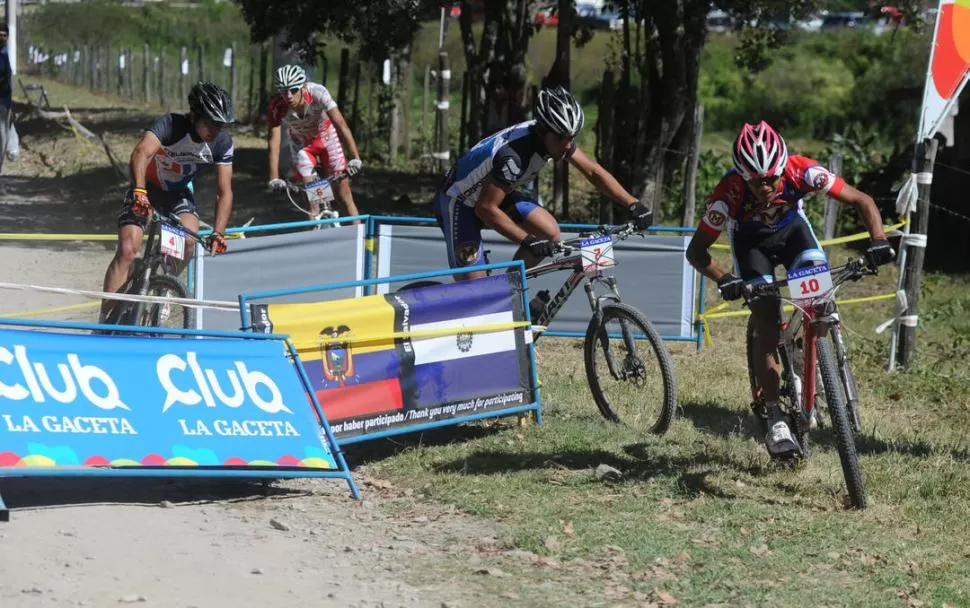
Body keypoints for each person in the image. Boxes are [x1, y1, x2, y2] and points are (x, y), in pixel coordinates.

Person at [685, 120, 895, 458]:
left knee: (817, 294)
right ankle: (775, 416)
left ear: (783, 167)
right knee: (767, 322)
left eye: (771, 178)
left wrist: (879, 241)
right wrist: (725, 278)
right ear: (743, 176)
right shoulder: (729, 193)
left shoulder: (802, 171)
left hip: (793, 235)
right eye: (756, 181)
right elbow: (696, 251)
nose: (765, 186)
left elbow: (861, 199)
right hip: (752, 247)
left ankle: (813, 354)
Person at [432, 86, 653, 283]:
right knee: (474, 290)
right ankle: (483, 300)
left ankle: (508, 291)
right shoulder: (514, 157)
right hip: (459, 200)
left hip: (494, 190)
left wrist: (633, 203)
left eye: (571, 137)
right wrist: (528, 241)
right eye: (561, 138)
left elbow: (593, 172)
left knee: (549, 232)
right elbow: (485, 208)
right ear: (542, 131)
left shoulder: (556, 139)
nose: (567, 145)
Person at [100, 81, 235, 321]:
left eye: (221, 124)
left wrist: (219, 232)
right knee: (128, 249)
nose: (217, 130)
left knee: (189, 240)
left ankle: (164, 289)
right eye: (212, 123)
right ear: (195, 116)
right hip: (148, 187)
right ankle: (105, 318)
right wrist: (139, 191)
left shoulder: (222, 143)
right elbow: (141, 153)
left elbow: (224, 191)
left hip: (177, 193)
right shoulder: (171, 124)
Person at [266, 64, 362, 222]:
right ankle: (316, 237)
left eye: (294, 90)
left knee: (344, 196)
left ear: (303, 87)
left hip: (326, 139)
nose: (289, 96)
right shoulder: (277, 106)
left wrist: (355, 157)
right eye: (283, 91)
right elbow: (274, 142)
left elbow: (340, 124)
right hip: (302, 146)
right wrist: (274, 177)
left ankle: (362, 242)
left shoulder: (318, 93)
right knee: (313, 206)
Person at [0, 23, 12, 180]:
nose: (2, 37)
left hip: (6, 102)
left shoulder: (5, 53)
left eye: (4, 35)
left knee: (5, 136)